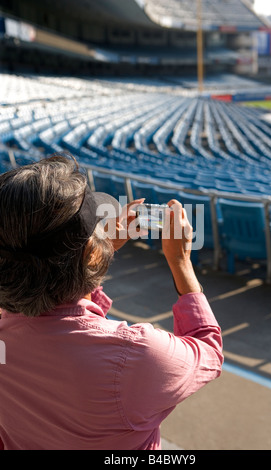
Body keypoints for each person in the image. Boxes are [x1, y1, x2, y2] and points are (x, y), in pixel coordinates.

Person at [0, 153, 223, 450]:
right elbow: (207, 349)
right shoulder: (137, 356)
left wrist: (93, 255)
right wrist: (181, 262)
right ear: (90, 253)